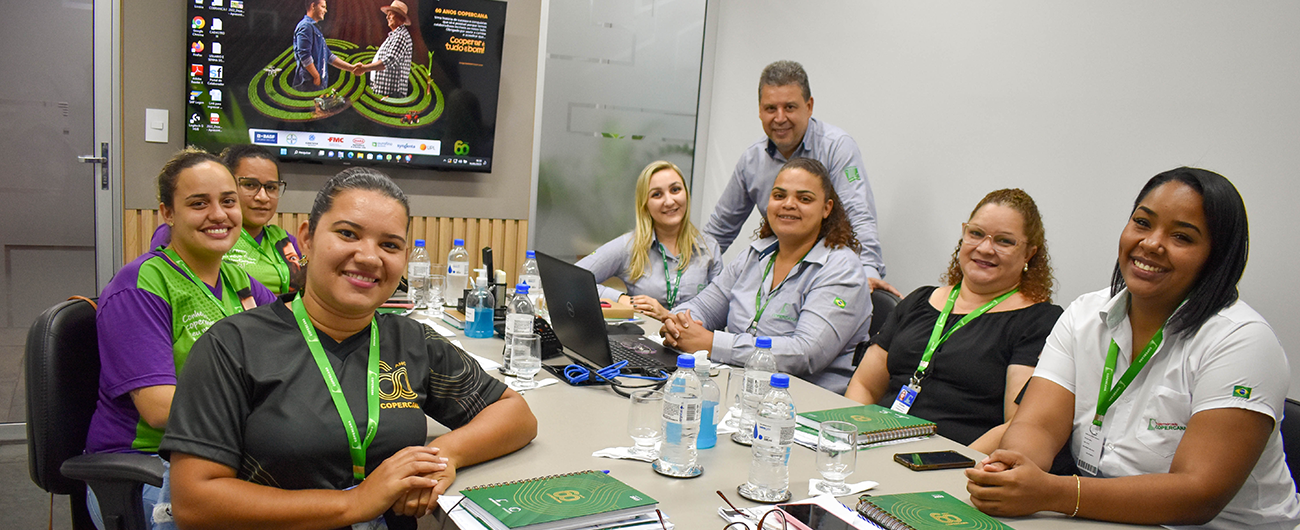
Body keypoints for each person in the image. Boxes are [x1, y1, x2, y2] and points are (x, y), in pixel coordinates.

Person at [160, 167, 538, 530]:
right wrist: (355, 502)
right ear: (306, 238)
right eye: (348, 234)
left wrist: (442, 458)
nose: (369, 257)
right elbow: (195, 502)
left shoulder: (411, 341)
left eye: (389, 245)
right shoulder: (232, 345)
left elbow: (515, 415)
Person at [966, 168, 1300, 528]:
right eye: (1142, 223)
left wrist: (1054, 493)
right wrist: (1013, 469)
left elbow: (1198, 493)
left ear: (1217, 257)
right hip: (1105, 520)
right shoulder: (1084, 315)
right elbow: (1039, 426)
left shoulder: (1242, 341)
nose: (1152, 243)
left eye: (1182, 237)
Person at [86, 148, 278, 529]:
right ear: (167, 213)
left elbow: (296, 352)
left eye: (227, 201)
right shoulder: (142, 285)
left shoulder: (240, 283)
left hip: (228, 456)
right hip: (148, 469)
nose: (219, 215)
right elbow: (160, 408)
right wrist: (271, 414)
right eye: (198, 203)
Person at [844, 189, 1062, 454]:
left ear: (1029, 253)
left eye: (1004, 241)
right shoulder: (919, 301)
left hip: (956, 466)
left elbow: (1017, 425)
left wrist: (951, 463)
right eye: (976, 234)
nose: (984, 248)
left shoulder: (1038, 322)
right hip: (876, 447)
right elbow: (864, 385)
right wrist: (854, 440)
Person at [662, 158, 871, 393]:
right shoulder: (755, 255)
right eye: (779, 196)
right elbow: (703, 306)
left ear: (826, 208)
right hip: (739, 388)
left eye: (804, 199)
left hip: (803, 403)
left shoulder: (842, 268)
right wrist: (678, 324)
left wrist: (712, 343)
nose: (788, 204)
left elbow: (805, 353)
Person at [703, 60, 899, 297]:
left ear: (809, 106)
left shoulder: (837, 148)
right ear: (759, 110)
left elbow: (858, 216)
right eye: (770, 108)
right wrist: (687, 271)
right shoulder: (751, 160)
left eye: (790, 107)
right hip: (777, 276)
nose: (780, 118)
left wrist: (868, 271)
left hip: (828, 275)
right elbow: (720, 228)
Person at [576, 160, 723, 321]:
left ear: (686, 194)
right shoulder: (629, 246)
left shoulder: (709, 247)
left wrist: (667, 316)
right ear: (644, 204)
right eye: (657, 194)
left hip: (694, 345)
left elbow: (719, 315)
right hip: (643, 343)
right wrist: (622, 299)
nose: (669, 201)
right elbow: (573, 280)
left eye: (675, 190)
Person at [151, 145, 302, 294]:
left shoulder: (285, 241)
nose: (262, 197)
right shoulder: (185, 234)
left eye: (271, 187)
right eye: (249, 185)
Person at [354, 1, 415, 99]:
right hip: (385, 92)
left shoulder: (401, 36)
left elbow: (388, 61)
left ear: (401, 18)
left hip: (392, 94)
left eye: (391, 14)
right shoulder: (394, 35)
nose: (387, 17)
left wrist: (364, 68)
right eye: (387, 14)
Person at [292, 0, 356, 91]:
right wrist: (316, 76)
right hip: (308, 85)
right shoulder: (306, 26)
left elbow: (329, 56)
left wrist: (351, 68)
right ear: (313, 6)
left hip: (315, 85)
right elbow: (304, 55)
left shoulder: (314, 28)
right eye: (323, 7)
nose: (325, 11)